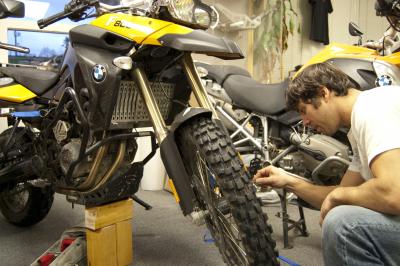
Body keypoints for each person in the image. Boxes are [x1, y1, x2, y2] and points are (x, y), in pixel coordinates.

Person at [253, 62, 400, 266]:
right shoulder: (359, 123)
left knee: (342, 225)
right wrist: (288, 181)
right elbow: (343, 192)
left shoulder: (373, 108)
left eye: (304, 110)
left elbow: (393, 194)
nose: (304, 122)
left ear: (324, 93)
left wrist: (339, 196)